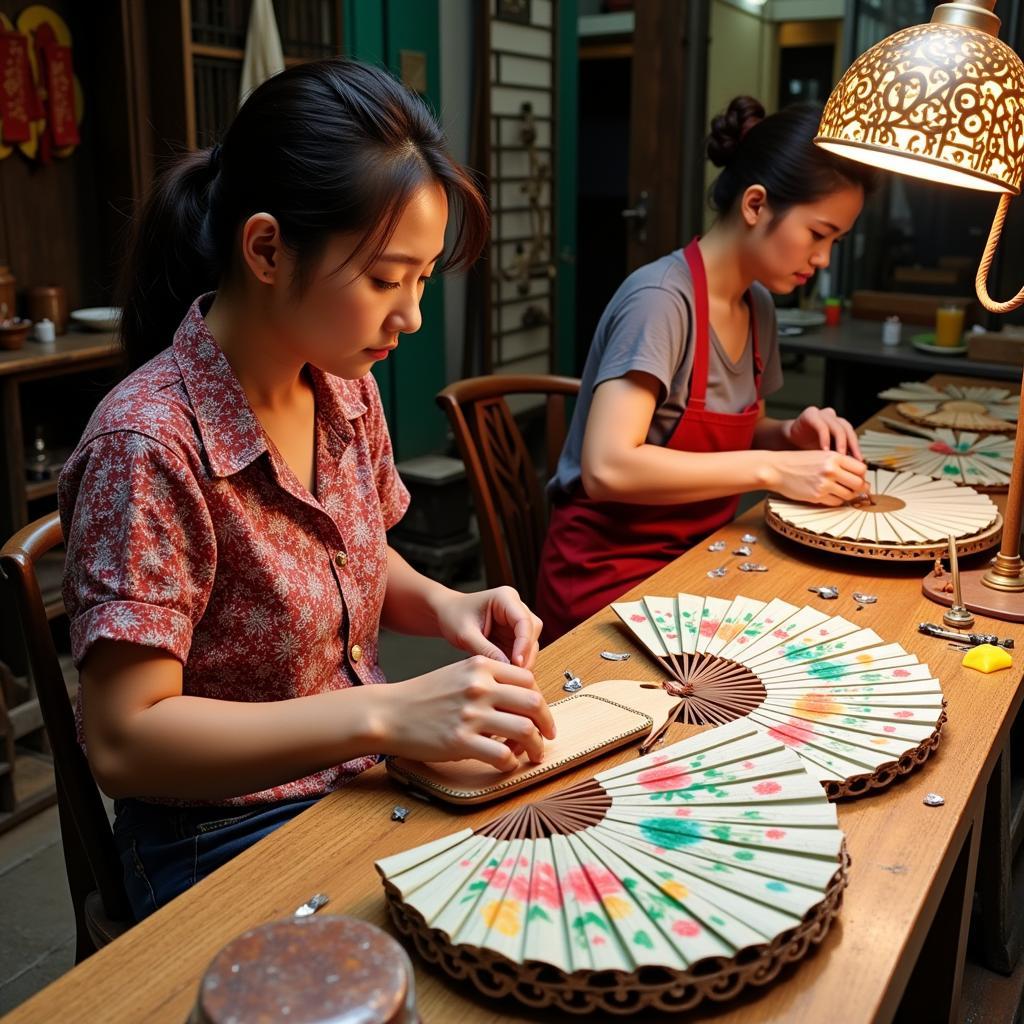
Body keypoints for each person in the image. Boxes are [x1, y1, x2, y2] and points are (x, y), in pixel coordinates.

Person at [58, 58, 554, 921]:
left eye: (423, 278)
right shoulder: (147, 444)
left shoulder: (343, 386)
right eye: (383, 279)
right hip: (215, 834)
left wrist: (447, 608)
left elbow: (353, 555)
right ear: (264, 248)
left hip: (354, 781)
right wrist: (384, 715)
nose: (411, 317)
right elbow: (126, 740)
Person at [535, 97, 876, 643]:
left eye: (836, 240)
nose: (824, 259)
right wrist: (770, 468)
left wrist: (787, 435)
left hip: (695, 560)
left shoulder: (757, 304)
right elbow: (607, 466)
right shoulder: (661, 301)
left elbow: (731, 435)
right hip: (608, 581)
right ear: (756, 204)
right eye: (818, 233)